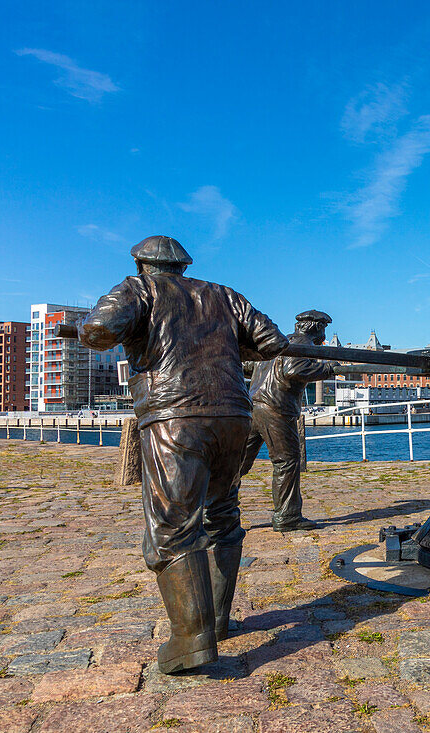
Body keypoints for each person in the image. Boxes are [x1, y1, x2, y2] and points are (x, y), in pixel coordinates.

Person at [77, 235, 288, 673]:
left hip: (177, 417)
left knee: (173, 527)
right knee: (223, 514)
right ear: (183, 266)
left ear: (141, 265)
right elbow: (273, 343)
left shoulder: (139, 289)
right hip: (233, 414)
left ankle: (192, 639)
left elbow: (98, 330)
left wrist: (117, 329)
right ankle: (216, 620)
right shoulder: (225, 295)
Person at [233, 310, 336, 532]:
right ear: (315, 327)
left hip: (254, 406)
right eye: (323, 329)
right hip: (276, 409)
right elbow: (293, 369)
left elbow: (249, 366)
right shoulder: (302, 344)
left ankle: (216, 510)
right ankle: (287, 516)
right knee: (287, 462)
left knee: (239, 461)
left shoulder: (279, 341)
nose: (323, 335)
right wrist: (328, 368)